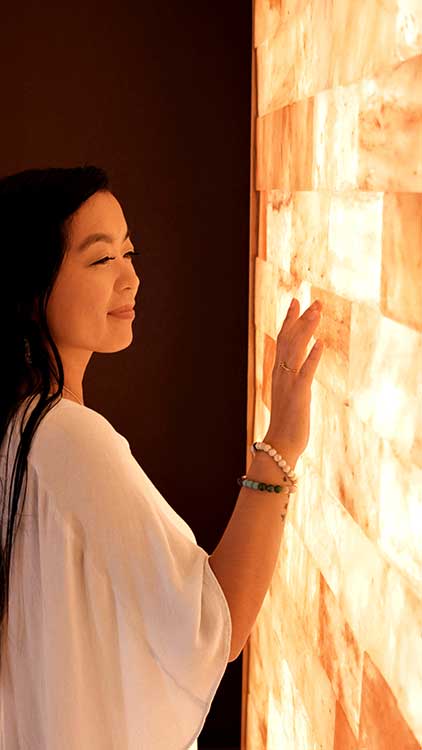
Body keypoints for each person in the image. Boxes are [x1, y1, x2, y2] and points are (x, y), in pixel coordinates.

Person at [0, 166, 323, 749]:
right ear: (30, 287)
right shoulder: (68, 440)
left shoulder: (19, 427)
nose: (131, 278)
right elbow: (213, 626)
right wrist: (284, 444)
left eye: (130, 252)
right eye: (101, 261)